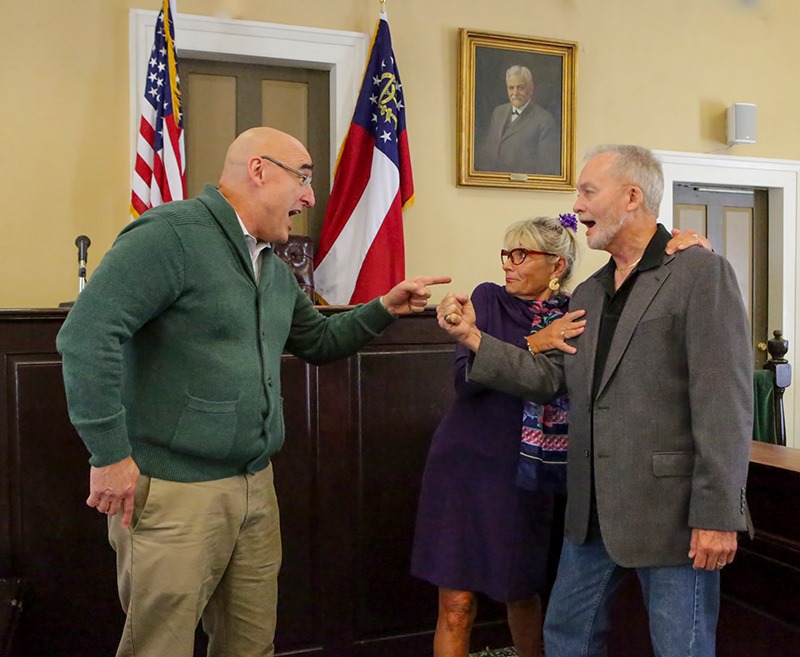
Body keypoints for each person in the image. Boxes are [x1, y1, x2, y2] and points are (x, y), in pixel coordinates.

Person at [56, 126, 449, 657]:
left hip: (255, 487)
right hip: (173, 492)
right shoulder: (170, 235)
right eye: (303, 178)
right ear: (259, 171)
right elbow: (87, 334)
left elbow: (319, 341)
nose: (310, 197)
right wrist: (108, 454)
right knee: (159, 647)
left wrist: (383, 308)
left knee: (250, 644)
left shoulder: (270, 264)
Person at [437, 144, 752, 657]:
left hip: (672, 516)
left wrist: (718, 515)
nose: (577, 205)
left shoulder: (700, 273)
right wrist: (474, 339)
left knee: (682, 649)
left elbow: (725, 403)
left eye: (588, 191)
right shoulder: (588, 292)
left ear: (631, 196)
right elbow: (550, 377)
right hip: (589, 514)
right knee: (565, 638)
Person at [411, 215, 585, 657]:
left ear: (557, 266)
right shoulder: (488, 298)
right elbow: (466, 381)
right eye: (507, 253)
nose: (508, 263)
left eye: (521, 254)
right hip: (464, 468)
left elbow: (554, 384)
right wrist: (535, 342)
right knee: (456, 604)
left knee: (522, 594)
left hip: (528, 477)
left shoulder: (575, 315)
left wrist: (523, 342)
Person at [475, 65, 560, 175]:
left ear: (531, 89)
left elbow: (546, 167)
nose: (515, 93)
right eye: (511, 88)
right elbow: (489, 151)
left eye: (520, 88)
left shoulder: (544, 120)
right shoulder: (498, 112)